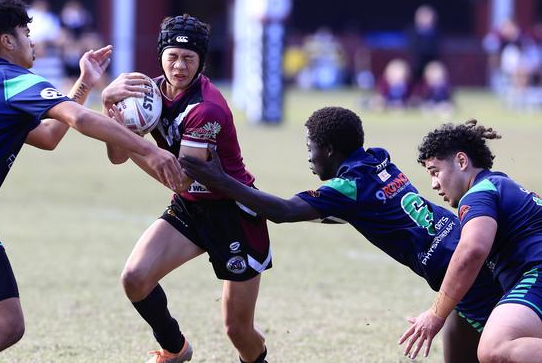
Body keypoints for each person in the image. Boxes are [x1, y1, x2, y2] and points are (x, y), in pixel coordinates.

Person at [0, 0, 183, 362]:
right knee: (6, 324)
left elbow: (48, 136)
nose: (34, 42)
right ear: (7, 41)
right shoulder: (13, 79)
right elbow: (78, 119)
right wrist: (150, 150)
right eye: (26, 34)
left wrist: (84, 82)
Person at [180, 107, 503, 363]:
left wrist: (218, 179)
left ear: (330, 149)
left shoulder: (348, 187)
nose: (309, 156)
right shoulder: (379, 158)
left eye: (311, 148)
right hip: (463, 250)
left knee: (506, 349)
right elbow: (361, 209)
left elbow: (283, 211)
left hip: (459, 269)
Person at [102, 14, 271, 363]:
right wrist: (109, 110)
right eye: (172, 56)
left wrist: (136, 143)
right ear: (160, 55)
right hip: (191, 206)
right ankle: (175, 349)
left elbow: (180, 177)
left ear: (201, 62)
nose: (179, 66)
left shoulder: (206, 109)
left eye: (189, 59)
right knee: (135, 278)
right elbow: (118, 156)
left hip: (233, 213)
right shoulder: (143, 93)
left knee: (238, 331)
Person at [399, 120, 542, 362]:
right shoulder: (501, 184)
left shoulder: (478, 195)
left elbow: (472, 250)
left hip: (537, 274)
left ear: (462, 161)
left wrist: (435, 314)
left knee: (496, 347)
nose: (433, 184)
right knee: (465, 310)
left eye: (435, 171)